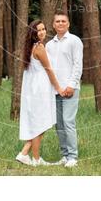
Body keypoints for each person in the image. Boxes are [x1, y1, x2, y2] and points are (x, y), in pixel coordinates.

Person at [16, 20, 64, 166]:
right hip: (40, 90)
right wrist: (58, 88)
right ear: (33, 33)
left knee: (40, 123)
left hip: (33, 89)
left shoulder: (30, 47)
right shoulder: (39, 48)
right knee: (40, 124)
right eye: (39, 30)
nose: (42, 32)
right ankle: (36, 160)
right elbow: (49, 70)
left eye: (44, 29)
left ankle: (24, 153)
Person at [45, 10, 83, 168]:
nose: (60, 23)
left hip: (69, 89)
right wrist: (53, 87)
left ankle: (73, 157)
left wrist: (71, 85)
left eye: (63, 21)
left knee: (68, 122)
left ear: (68, 24)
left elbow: (77, 64)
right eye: (57, 21)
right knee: (59, 124)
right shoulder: (49, 45)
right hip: (54, 89)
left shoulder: (74, 41)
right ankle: (65, 155)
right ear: (53, 25)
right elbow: (48, 68)